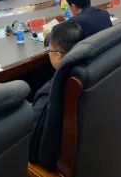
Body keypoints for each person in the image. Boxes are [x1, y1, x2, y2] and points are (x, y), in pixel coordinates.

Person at [31, 21, 84, 164]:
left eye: (49, 50)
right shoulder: (87, 69)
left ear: (59, 55)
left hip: (54, 161)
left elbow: (32, 145)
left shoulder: (48, 95)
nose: (49, 54)